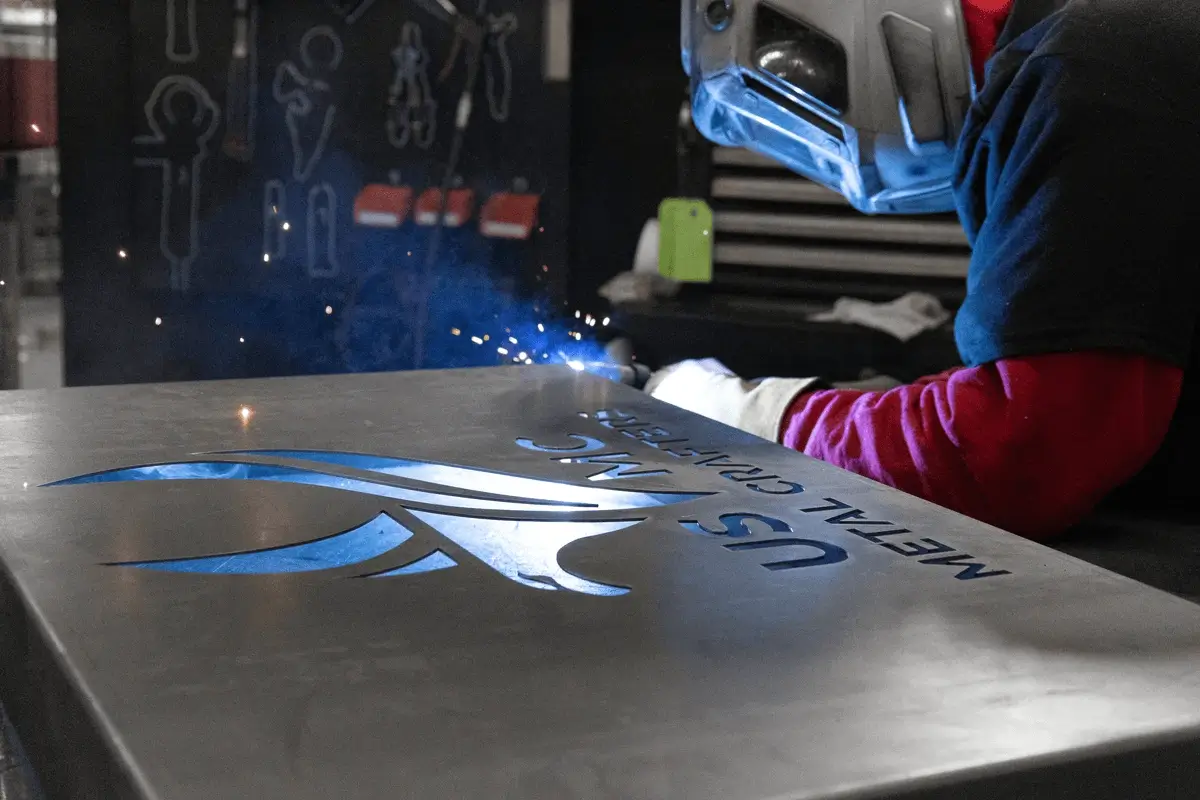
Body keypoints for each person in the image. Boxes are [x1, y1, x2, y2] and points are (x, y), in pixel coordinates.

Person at [652, 0, 1199, 540]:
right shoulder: (1098, 44)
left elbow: (1017, 456)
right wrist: (883, 410)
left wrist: (752, 418)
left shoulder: (1094, 59)